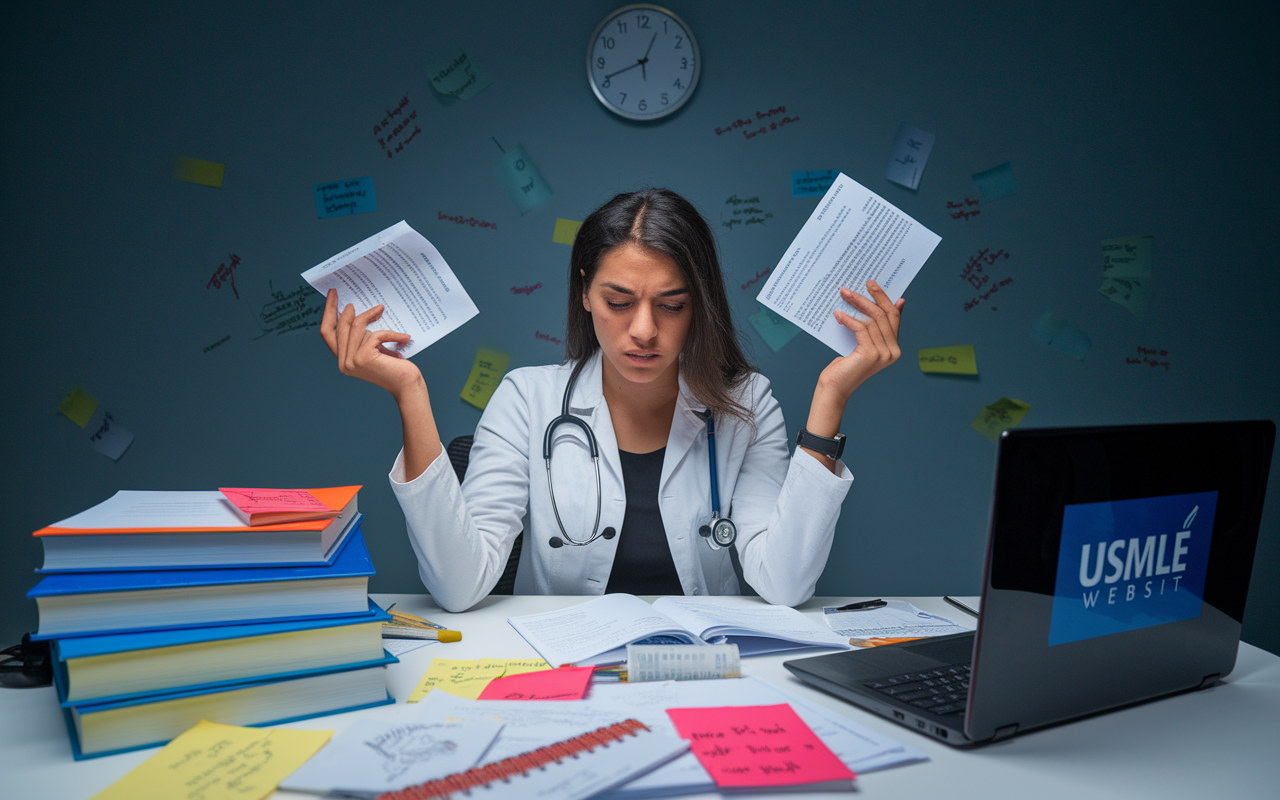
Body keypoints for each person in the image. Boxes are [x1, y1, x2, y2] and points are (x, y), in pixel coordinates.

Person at [320, 188, 904, 612]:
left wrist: (831, 396)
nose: (644, 330)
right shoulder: (528, 396)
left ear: (698, 305)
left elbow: (783, 582)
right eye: (619, 301)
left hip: (707, 675)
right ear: (584, 293)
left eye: (671, 304)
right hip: (562, 673)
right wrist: (409, 391)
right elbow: (457, 584)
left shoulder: (746, 404)